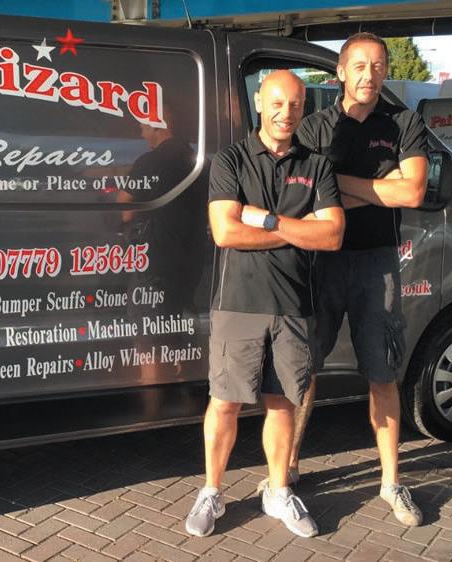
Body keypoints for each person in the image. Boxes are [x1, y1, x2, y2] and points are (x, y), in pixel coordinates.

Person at [185, 70, 344, 538]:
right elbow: (225, 231)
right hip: (238, 302)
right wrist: (299, 229)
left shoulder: (317, 166)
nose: (285, 113)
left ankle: (278, 491)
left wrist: (269, 220)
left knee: (282, 404)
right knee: (225, 402)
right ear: (259, 102)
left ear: (303, 108)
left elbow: (332, 235)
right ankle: (212, 491)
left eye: (294, 104)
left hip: (294, 305)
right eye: (276, 103)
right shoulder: (231, 160)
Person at [285, 32, 431, 527]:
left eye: (378, 65)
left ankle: (391, 482)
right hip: (320, 262)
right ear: (341, 72)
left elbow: (412, 193)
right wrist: (379, 188)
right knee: (303, 367)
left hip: (377, 264)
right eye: (360, 65)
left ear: (386, 71)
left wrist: (335, 186)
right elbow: (301, 199)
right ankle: (286, 470)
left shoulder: (404, 123)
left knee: (382, 372)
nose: (370, 74)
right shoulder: (313, 127)